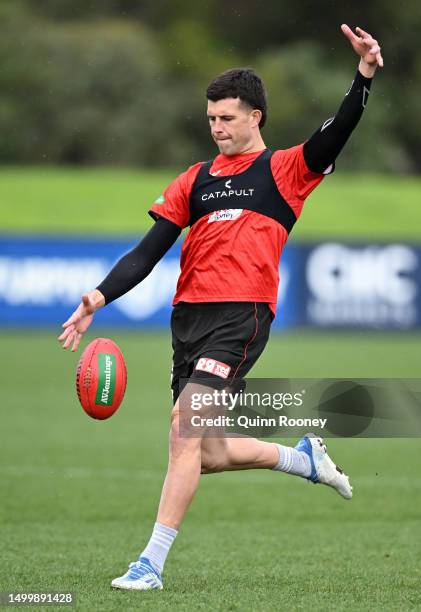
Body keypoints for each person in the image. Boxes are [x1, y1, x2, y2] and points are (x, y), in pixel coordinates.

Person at [59, 24, 383, 591]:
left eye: (228, 118)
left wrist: (363, 77)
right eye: (211, 119)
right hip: (188, 320)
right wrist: (96, 297)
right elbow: (149, 250)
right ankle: (303, 459)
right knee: (205, 452)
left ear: (256, 115)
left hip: (242, 315)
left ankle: (150, 565)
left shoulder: (285, 171)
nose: (217, 128)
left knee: (185, 430)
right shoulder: (196, 179)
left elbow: (334, 135)